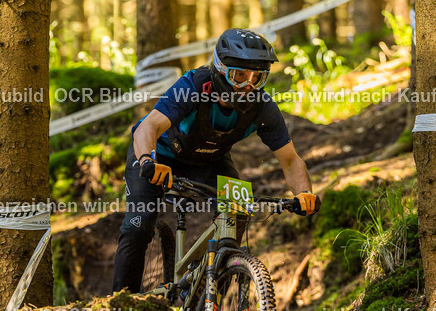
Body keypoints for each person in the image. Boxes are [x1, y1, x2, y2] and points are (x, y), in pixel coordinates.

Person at [112, 28, 320, 293]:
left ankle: (203, 289)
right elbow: (148, 127)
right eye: (239, 75)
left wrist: (304, 193)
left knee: (239, 210)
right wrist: (147, 161)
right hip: (157, 156)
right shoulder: (193, 87)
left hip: (210, 161)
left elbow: (290, 161)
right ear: (221, 69)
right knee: (137, 228)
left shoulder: (263, 107)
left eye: (258, 78)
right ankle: (120, 307)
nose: (248, 86)